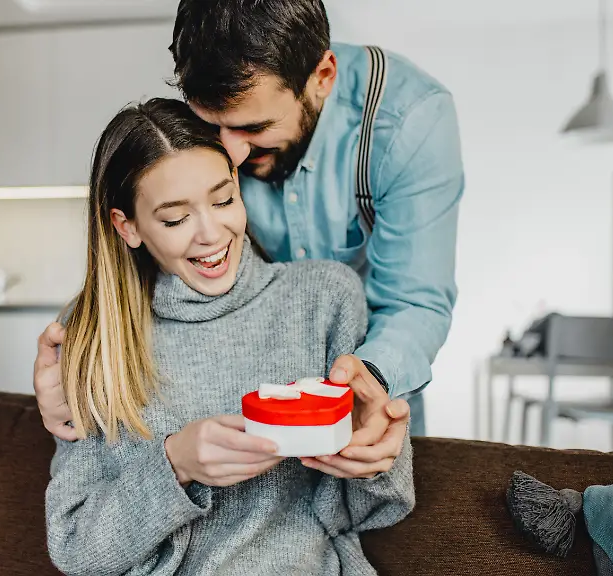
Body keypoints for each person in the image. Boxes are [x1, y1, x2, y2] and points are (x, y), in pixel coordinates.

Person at [34, 0, 464, 473]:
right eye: (213, 126)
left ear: (322, 77)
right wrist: (83, 372)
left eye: (253, 128)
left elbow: (415, 301)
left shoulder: (408, 121)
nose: (232, 152)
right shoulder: (225, 112)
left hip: (368, 371)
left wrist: (372, 381)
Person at [45, 97, 413, 576]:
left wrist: (377, 449)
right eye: (175, 218)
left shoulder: (323, 298)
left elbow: (376, 509)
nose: (211, 234)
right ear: (128, 226)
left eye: (223, 200)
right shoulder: (95, 334)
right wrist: (174, 466)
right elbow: (74, 548)